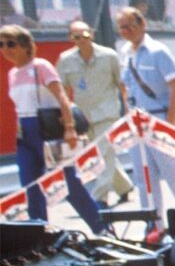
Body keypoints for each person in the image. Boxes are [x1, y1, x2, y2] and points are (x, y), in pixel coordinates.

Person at [2, 24, 105, 232]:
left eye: (11, 43)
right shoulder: (12, 73)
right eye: (1, 44)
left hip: (49, 132)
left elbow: (62, 98)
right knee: (31, 187)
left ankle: (100, 228)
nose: (5, 48)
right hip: (26, 134)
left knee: (68, 185)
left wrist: (69, 128)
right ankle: (39, 234)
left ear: (25, 45)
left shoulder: (40, 67)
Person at [56, 20, 134, 204]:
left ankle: (99, 198)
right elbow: (62, 90)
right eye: (77, 36)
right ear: (70, 38)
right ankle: (124, 186)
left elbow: (122, 85)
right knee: (101, 155)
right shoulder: (65, 60)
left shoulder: (109, 56)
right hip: (82, 118)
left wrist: (127, 109)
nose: (82, 39)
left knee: (105, 154)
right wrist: (65, 116)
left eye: (85, 35)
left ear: (92, 34)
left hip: (107, 114)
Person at [116, 7, 175, 125]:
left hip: (160, 118)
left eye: (129, 26)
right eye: (122, 27)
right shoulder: (127, 54)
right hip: (137, 122)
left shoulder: (158, 51)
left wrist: (170, 121)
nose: (125, 30)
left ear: (142, 24)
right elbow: (125, 90)